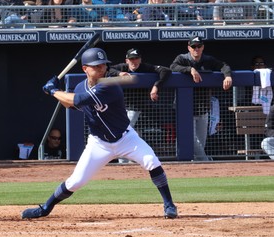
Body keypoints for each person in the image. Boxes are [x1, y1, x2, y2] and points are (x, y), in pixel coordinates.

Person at [21, 47, 178, 220]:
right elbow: (70, 105)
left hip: (126, 138)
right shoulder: (81, 86)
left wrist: (52, 91)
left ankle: (169, 205)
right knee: (76, 181)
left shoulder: (109, 85)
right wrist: (56, 93)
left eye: (103, 65)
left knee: (151, 161)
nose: (101, 69)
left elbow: (78, 99)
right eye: (96, 66)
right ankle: (45, 208)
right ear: (85, 69)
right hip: (98, 143)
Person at [170, 36, 232, 161]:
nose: (196, 49)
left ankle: (199, 169)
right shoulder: (182, 58)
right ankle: (204, 161)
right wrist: (190, 69)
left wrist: (228, 76)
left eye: (199, 46)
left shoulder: (208, 60)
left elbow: (224, 66)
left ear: (202, 47)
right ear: (189, 47)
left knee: (200, 143)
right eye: (193, 47)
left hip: (203, 107)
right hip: (185, 108)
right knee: (189, 138)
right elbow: (172, 67)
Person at [108, 48, 172, 127]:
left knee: (126, 128)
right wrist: (119, 73)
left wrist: (156, 86)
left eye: (136, 58)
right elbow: (107, 69)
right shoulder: (122, 67)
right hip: (119, 105)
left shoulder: (144, 67)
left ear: (140, 59)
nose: (134, 61)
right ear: (127, 60)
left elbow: (166, 70)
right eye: (131, 59)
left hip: (135, 106)